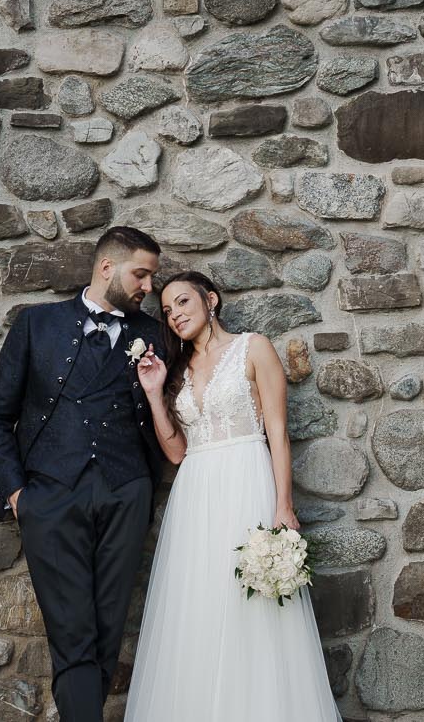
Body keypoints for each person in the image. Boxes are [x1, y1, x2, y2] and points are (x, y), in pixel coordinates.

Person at [124, 270, 341, 722]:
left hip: (245, 479)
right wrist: (154, 392)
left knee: (252, 606)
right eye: (167, 310)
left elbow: (278, 431)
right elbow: (177, 452)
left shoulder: (253, 347)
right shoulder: (177, 369)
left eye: (183, 302)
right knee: (199, 605)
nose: (175, 315)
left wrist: (284, 506)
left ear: (211, 300)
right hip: (195, 492)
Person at [0, 225, 166, 722]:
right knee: (72, 630)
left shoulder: (152, 334)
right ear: (107, 267)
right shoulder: (36, 324)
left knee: (107, 629)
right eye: (141, 274)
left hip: (126, 493)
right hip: (50, 495)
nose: (149, 287)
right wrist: (17, 493)